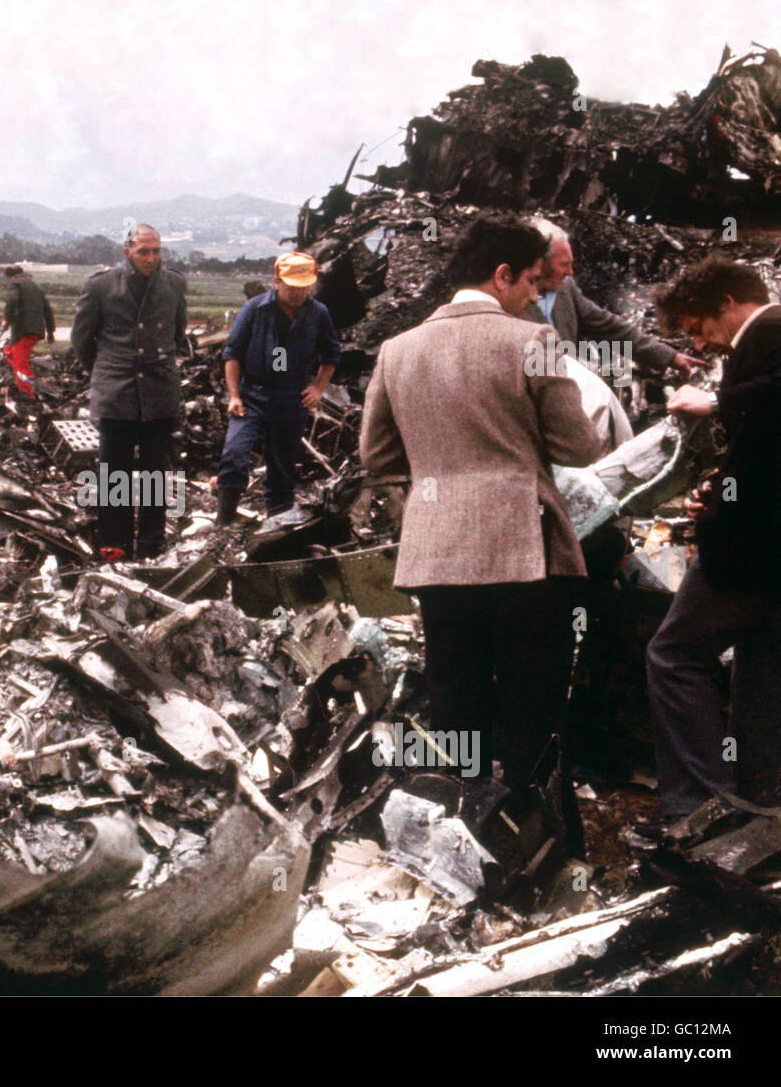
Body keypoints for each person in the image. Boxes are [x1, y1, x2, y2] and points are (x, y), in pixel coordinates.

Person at [360, 216, 604, 852]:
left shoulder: (398, 349)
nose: (535, 294)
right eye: (529, 281)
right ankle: (531, 831)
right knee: (531, 694)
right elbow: (579, 445)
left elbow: (377, 457)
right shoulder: (535, 341)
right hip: (523, 547)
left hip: (437, 550)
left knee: (455, 694)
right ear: (501, 276)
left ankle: (463, 831)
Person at [642, 257, 781, 828]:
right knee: (761, 670)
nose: (700, 343)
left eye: (698, 327)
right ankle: (760, 805)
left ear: (727, 303)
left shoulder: (769, 333)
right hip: (762, 535)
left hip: (753, 544)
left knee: (672, 654)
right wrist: (718, 489)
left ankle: (701, 806)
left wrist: (719, 402)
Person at [70, 224, 188, 561]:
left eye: (157, 251)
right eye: (143, 252)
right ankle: (115, 545)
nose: (152, 258)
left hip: (158, 390)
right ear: (127, 252)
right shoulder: (101, 286)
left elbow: (178, 336)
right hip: (116, 390)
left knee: (155, 473)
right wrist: (107, 370)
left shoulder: (175, 284)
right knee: (114, 475)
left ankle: (151, 547)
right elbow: (82, 341)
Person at [217, 252, 340, 521]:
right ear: (277, 280)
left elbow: (331, 356)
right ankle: (223, 525)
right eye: (293, 287)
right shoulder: (255, 309)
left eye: (305, 287)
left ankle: (278, 527)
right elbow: (232, 354)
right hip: (253, 396)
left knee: (282, 469)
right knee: (235, 454)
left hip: (290, 399)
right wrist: (234, 395)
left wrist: (318, 388)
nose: (299, 293)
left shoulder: (318, 314)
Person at [525, 218, 704, 379]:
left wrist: (670, 357)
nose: (570, 272)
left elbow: (609, 327)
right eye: (564, 265)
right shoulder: (507, 302)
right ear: (539, 264)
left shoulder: (565, 288)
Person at [1, 265, 55, 397]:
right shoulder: (37, 287)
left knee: (20, 364)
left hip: (23, 328)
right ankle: (23, 388)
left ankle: (29, 394)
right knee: (10, 352)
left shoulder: (15, 283)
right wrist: (50, 330)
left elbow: (12, 299)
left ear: (10, 276)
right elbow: (48, 310)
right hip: (34, 329)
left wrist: (6, 319)